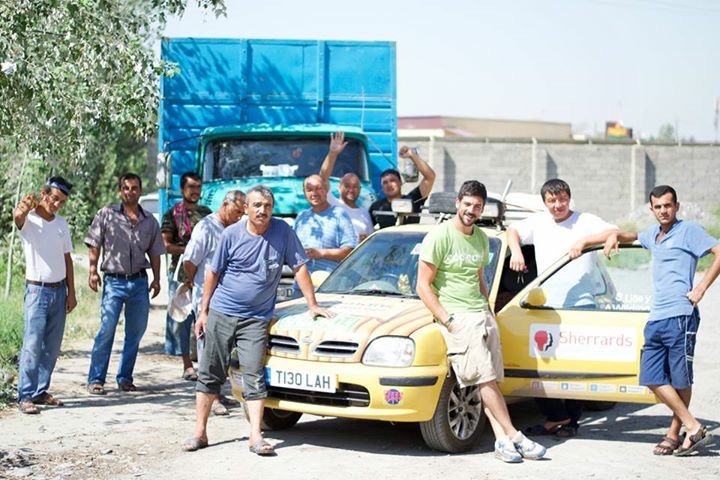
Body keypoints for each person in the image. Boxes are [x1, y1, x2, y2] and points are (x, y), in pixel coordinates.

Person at [181, 185, 333, 455]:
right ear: (246, 209)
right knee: (209, 373)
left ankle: (255, 437)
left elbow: (299, 267)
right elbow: (212, 273)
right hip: (222, 312)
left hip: (255, 319)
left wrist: (313, 304)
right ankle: (199, 433)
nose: (263, 210)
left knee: (254, 374)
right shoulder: (231, 234)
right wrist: (203, 312)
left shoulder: (283, 231)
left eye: (267, 205)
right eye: (257, 205)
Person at [416, 180, 547, 463]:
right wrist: (448, 320)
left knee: (490, 381)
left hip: (481, 315)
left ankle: (501, 441)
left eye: (476, 206)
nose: (471, 210)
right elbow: (423, 286)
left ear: (482, 208)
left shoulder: (481, 238)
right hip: (458, 318)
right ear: (457, 203)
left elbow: (478, 277)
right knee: (485, 379)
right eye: (467, 204)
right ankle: (515, 435)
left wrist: (488, 310)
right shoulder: (439, 236)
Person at [603, 185, 720, 456]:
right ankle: (692, 426)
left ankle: (674, 433)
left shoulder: (688, 230)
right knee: (650, 376)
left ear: (676, 206)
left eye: (668, 205)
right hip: (656, 316)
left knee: (680, 380)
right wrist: (613, 235)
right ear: (651, 209)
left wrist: (701, 288)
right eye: (658, 207)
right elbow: (629, 234)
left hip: (681, 314)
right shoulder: (653, 235)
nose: (663, 211)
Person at [506, 178, 619, 438]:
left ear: (570, 198)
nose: (558, 205)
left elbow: (619, 232)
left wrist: (585, 241)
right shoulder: (539, 222)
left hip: (581, 304)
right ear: (545, 203)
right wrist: (517, 252)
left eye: (562, 199)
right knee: (542, 364)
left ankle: (571, 421)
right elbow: (513, 231)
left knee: (574, 365)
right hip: (545, 305)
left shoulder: (586, 220)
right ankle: (556, 416)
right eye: (552, 201)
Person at [84, 173, 165, 395]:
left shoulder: (150, 221)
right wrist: (92, 271)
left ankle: (125, 378)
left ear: (140, 190)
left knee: (135, 333)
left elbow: (155, 252)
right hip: (114, 282)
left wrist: (157, 279)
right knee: (106, 330)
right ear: (120, 190)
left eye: (135, 188)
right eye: (126, 188)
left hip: (139, 282)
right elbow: (94, 244)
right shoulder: (106, 214)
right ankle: (96, 379)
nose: (130, 191)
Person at [13, 176, 76, 414]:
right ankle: (25, 395)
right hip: (37, 291)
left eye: (62, 201)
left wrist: (72, 293)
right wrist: (21, 209)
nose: (57, 204)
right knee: (32, 344)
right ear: (44, 193)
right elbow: (17, 219)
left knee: (51, 345)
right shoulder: (30, 220)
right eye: (55, 198)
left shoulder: (61, 224)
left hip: (59, 291)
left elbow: (67, 258)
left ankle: (40, 391)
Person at [183, 190, 246, 416]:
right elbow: (190, 261)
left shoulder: (232, 229)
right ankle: (209, 399)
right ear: (225, 205)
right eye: (237, 211)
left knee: (222, 349)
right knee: (206, 348)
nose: (239, 216)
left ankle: (217, 393)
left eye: (242, 213)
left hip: (226, 299)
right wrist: (193, 283)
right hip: (205, 297)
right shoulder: (206, 227)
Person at [161, 172, 212, 381]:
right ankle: (187, 364)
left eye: (198, 187)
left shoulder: (207, 213)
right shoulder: (172, 214)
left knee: (207, 318)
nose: (195, 191)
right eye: (191, 187)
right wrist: (190, 251)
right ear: (182, 189)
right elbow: (166, 245)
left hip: (205, 274)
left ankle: (207, 364)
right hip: (181, 275)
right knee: (183, 320)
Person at [294, 174, 356, 275]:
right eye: (309, 190)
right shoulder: (301, 217)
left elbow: (350, 252)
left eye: (318, 188)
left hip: (328, 285)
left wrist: (321, 253)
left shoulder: (339, 215)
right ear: (305, 194)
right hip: (301, 285)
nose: (314, 193)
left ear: (326, 190)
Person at [319, 131, 374, 241]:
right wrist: (333, 153)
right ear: (339, 188)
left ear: (360, 189)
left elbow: (370, 240)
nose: (351, 190)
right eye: (347, 186)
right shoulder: (333, 204)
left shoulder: (364, 213)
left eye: (355, 186)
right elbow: (323, 178)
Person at [369, 145, 436, 229]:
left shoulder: (413, 199)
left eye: (392, 180)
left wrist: (412, 155)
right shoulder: (377, 207)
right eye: (385, 182)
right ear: (381, 186)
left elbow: (430, 177)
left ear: (400, 182)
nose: (389, 185)